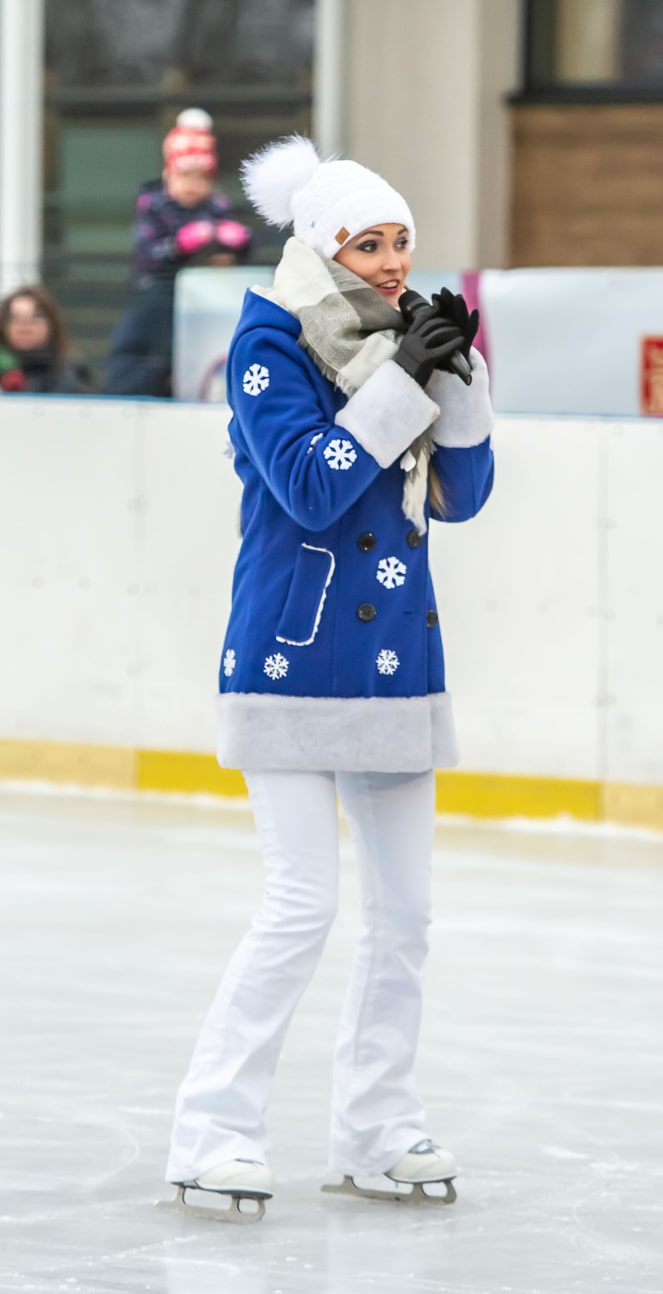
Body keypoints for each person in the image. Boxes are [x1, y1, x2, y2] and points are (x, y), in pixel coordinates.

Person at [162, 135, 495, 1220]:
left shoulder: (402, 338)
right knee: (301, 903)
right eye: (369, 242)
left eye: (400, 240)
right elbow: (309, 485)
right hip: (291, 659)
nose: (394, 261)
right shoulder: (269, 347)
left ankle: (374, 1126)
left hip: (396, 659)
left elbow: (459, 497)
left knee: (404, 913)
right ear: (323, 246)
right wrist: (403, 379)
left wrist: (460, 380)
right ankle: (211, 1129)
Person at [104, 108, 252, 397]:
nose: (192, 185)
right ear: (168, 174)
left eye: (200, 177)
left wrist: (240, 241)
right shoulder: (154, 205)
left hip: (206, 310)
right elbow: (146, 255)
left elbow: (239, 255)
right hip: (159, 308)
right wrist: (178, 245)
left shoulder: (218, 208)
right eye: (184, 175)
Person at [0, 284, 91, 394]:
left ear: (51, 323)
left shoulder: (74, 375)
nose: (24, 325)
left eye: (35, 317)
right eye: (14, 318)